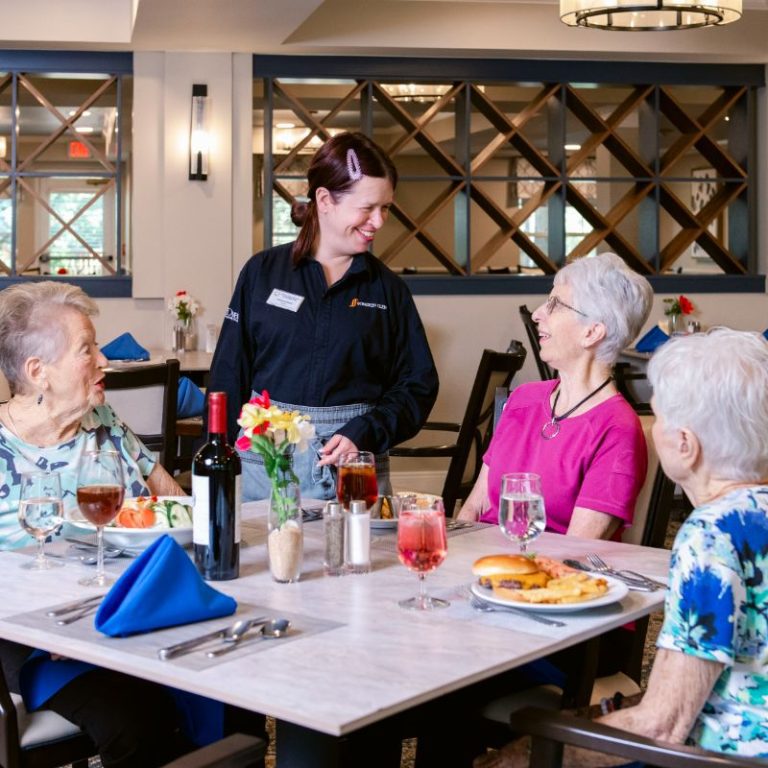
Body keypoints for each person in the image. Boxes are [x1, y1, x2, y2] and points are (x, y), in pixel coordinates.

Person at [0, 281, 220, 768]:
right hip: (31, 639)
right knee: (137, 721)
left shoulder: (102, 421)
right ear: (39, 372)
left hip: (127, 614)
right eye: (87, 350)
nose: (104, 361)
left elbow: (175, 504)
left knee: (227, 685)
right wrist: (43, 623)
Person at [208, 131, 439, 501]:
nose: (378, 222)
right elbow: (228, 375)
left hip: (354, 466)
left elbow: (418, 385)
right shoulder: (261, 274)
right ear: (324, 200)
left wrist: (368, 428)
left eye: (386, 208)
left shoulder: (388, 291)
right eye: (367, 208)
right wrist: (218, 461)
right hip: (263, 466)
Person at [597, 328, 768, 759]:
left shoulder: (714, 534)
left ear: (686, 445)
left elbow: (663, 725)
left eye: (657, 417)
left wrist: (533, 747)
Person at [458, 252, 653, 540]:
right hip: (481, 565)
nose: (538, 313)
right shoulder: (523, 399)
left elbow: (575, 551)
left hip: (549, 577)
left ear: (592, 332)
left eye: (555, 305)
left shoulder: (616, 429)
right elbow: (474, 508)